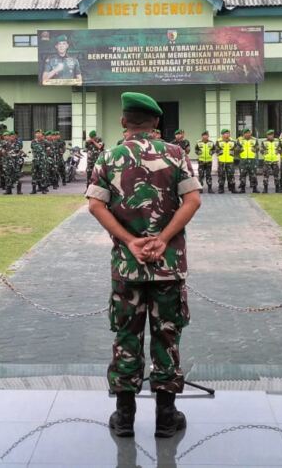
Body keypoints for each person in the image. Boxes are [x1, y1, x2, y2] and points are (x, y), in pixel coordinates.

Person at [86, 92, 201, 439]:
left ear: (124, 122)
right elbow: (193, 200)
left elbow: (95, 205)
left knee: (126, 337)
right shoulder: (176, 154)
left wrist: (129, 241)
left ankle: (124, 419)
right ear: (156, 123)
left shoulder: (109, 156)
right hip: (167, 265)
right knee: (167, 336)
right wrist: (163, 238)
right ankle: (166, 418)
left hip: (128, 265)